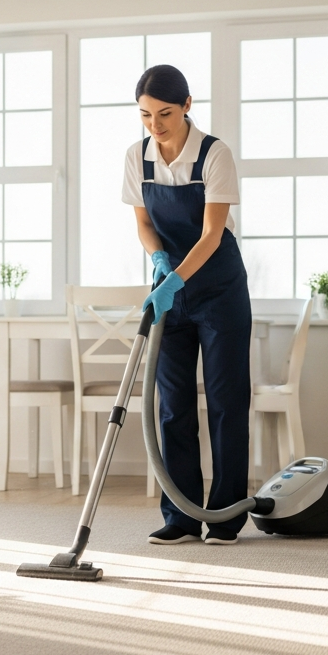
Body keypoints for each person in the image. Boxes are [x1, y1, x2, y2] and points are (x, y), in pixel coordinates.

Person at [122, 64, 251, 546]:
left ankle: (225, 518)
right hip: (168, 290)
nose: (155, 125)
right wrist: (157, 259)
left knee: (225, 402)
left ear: (188, 106)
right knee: (172, 407)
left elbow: (212, 233)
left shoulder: (214, 154)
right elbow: (143, 222)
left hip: (219, 291)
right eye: (145, 115)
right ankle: (180, 516)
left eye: (165, 113)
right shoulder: (137, 156)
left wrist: (174, 278)